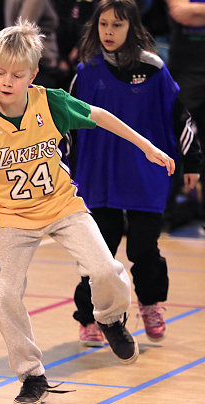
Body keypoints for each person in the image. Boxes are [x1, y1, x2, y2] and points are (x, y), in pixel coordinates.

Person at [0, 18, 175, 404]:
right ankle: (32, 375)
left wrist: (146, 146)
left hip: (62, 205)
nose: (7, 81)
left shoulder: (51, 101)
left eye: (18, 74)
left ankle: (108, 318)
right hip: (12, 217)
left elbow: (101, 117)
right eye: (0, 72)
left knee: (107, 270)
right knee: (3, 296)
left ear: (33, 75)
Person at [68, 0, 203, 348]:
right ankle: (92, 317)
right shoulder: (85, 71)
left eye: (117, 25)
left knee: (144, 249)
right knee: (99, 255)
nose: (109, 32)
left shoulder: (154, 68)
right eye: (103, 25)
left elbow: (180, 116)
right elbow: (62, 126)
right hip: (99, 179)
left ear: (132, 28)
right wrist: (63, 168)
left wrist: (193, 163)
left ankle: (150, 304)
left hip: (145, 178)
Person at [167, 0, 205, 224]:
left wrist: (194, 12)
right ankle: (166, 210)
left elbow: (189, 12)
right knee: (177, 137)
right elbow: (180, 13)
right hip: (185, 68)